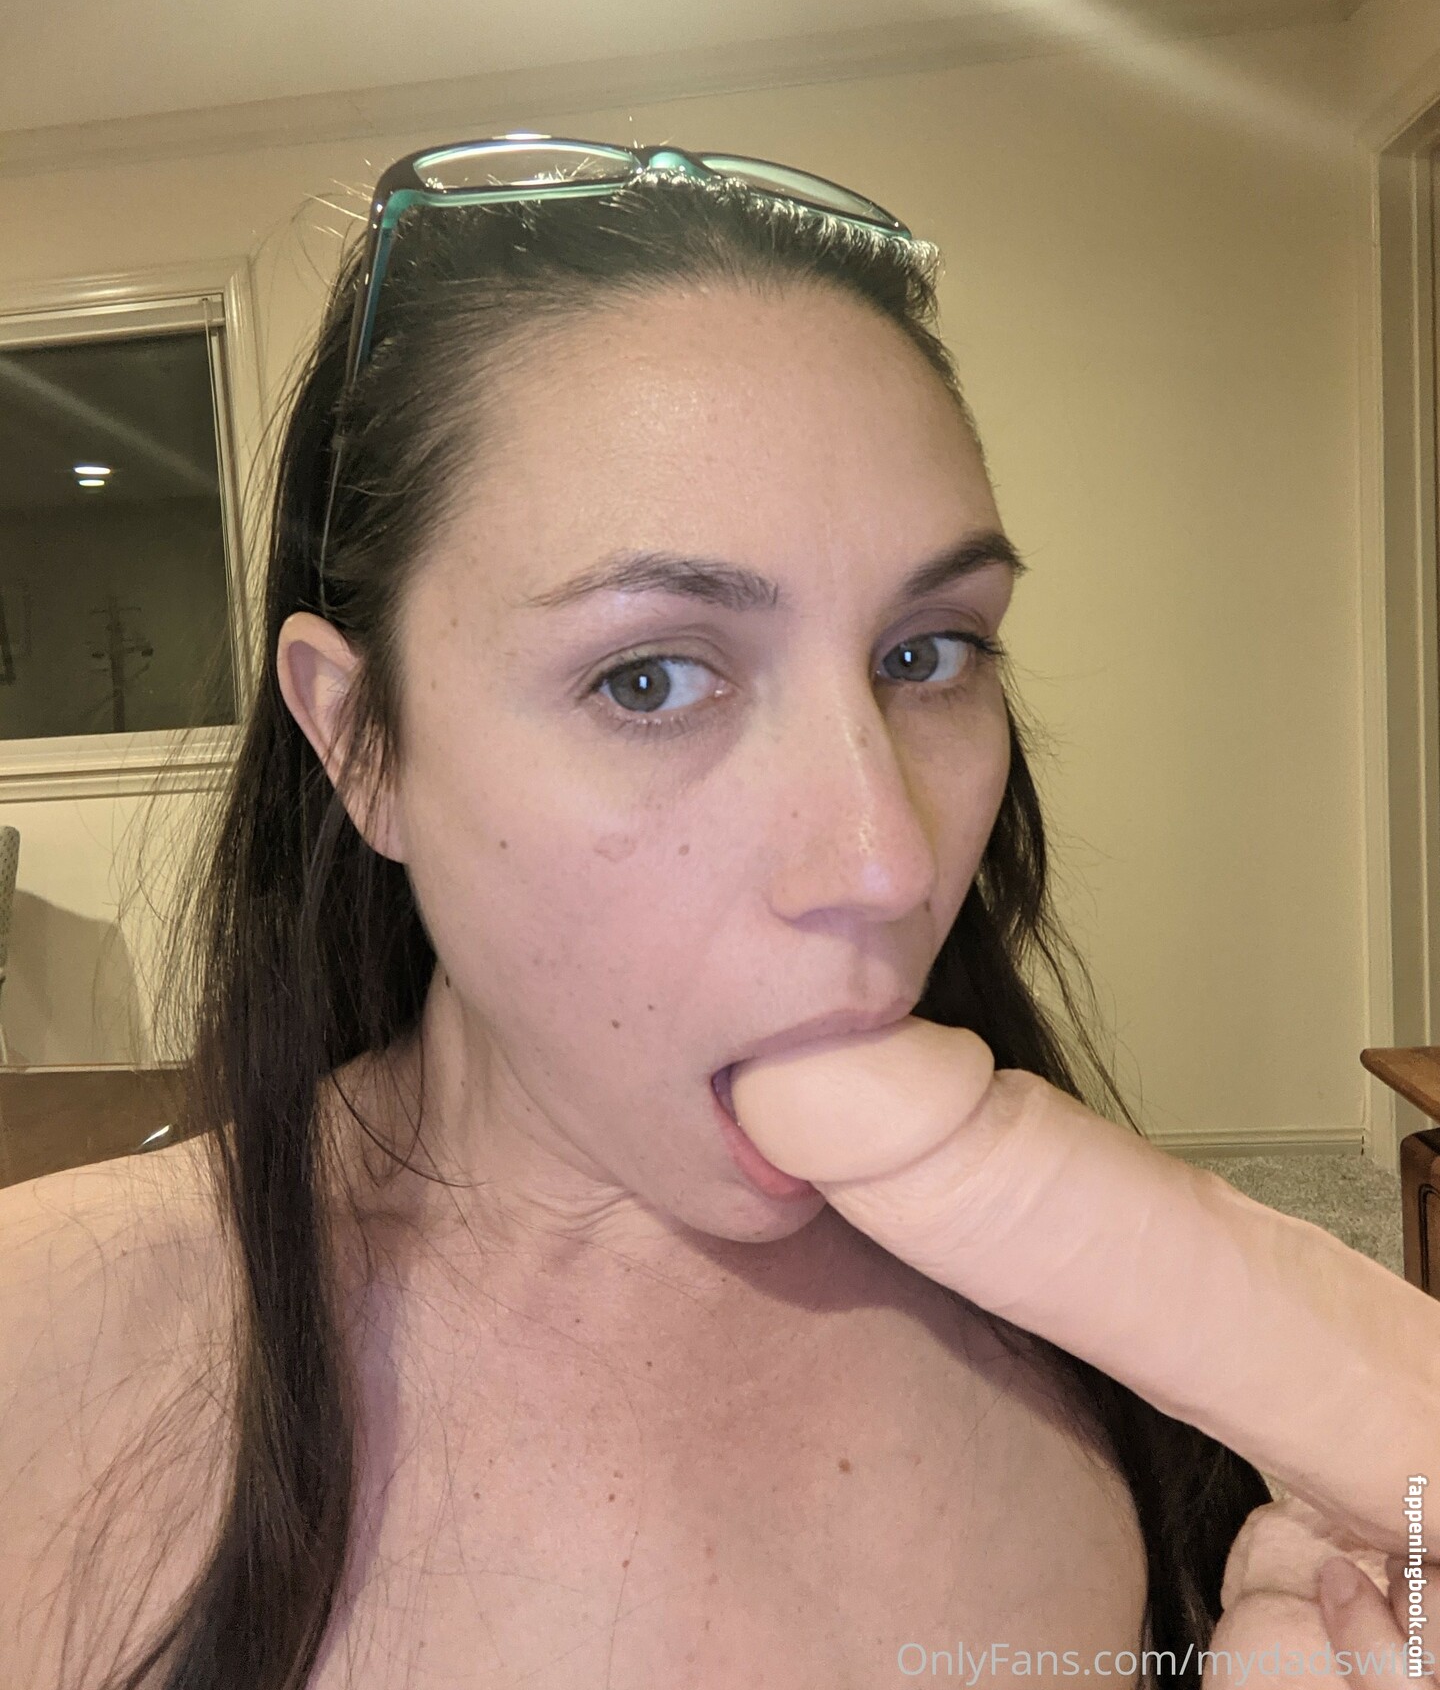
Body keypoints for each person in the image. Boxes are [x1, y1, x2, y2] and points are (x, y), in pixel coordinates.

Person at [3, 138, 1324, 1688]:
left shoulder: (1109, 1355)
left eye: (927, 653)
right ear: (361, 744)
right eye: (648, 678)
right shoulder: (44, 1348)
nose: (889, 863)